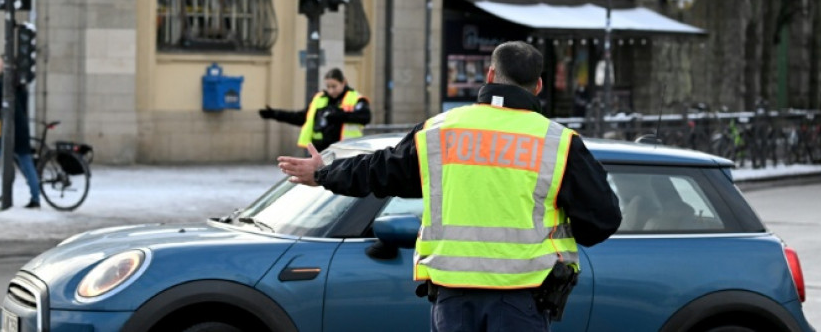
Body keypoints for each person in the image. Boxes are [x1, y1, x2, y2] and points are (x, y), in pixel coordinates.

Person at [278, 41, 622, 332]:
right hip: (522, 299)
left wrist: (324, 173)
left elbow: (382, 170)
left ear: (489, 75)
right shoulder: (558, 142)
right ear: (538, 86)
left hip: (453, 300)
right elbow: (603, 219)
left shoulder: (439, 130)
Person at [0, 56, 41, 208]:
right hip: (21, 129)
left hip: (6, 129)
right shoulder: (21, 85)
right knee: (26, 163)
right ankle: (36, 198)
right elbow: (23, 108)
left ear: (5, 66)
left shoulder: (0, 84)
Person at [259, 67, 371, 152]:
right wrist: (274, 114)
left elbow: (365, 117)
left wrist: (338, 115)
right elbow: (301, 118)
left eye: (334, 86)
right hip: (320, 151)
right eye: (328, 86)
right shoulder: (319, 99)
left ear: (343, 82)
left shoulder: (355, 98)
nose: (331, 90)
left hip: (345, 150)